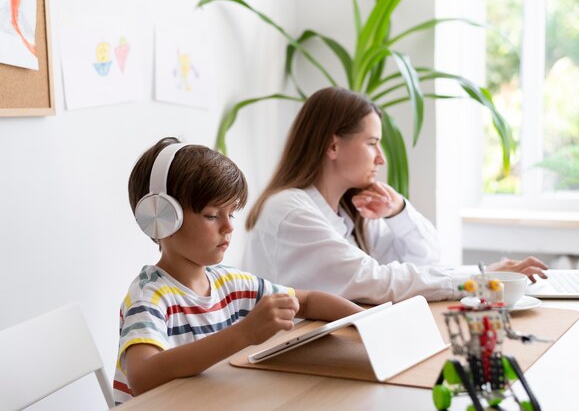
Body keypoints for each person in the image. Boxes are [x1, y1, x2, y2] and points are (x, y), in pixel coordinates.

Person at [113, 137, 363, 405]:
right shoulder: (148, 296)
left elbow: (308, 301)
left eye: (231, 214)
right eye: (212, 215)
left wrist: (369, 321)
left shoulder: (228, 283)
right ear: (162, 218)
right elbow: (142, 376)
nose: (229, 227)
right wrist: (243, 334)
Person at [242, 86, 547, 304]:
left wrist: (398, 211)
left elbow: (426, 259)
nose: (381, 158)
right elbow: (376, 281)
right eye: (372, 143)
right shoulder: (290, 211)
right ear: (333, 146)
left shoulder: (349, 213)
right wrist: (480, 280)